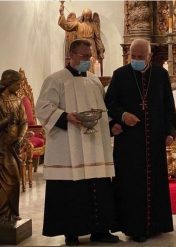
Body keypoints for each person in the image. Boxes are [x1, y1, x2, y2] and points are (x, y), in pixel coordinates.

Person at [35, 39, 119, 245]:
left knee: (99, 186)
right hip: (68, 145)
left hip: (94, 145)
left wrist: (111, 125)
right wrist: (65, 117)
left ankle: (100, 231)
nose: (87, 61)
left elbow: (102, 108)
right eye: (83, 56)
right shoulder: (55, 80)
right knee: (71, 192)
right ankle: (71, 232)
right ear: (70, 55)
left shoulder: (94, 81)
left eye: (89, 57)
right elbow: (43, 108)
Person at [105, 38, 176, 242]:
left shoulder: (161, 75)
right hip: (129, 141)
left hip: (154, 140)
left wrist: (170, 132)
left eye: (140, 57)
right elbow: (109, 103)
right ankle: (133, 227)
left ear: (150, 56)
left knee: (155, 182)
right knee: (130, 184)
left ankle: (156, 224)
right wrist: (122, 116)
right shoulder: (120, 75)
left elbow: (168, 107)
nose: (136, 60)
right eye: (133, 56)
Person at [0, 70, 27, 224]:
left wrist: (20, 137)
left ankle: (12, 213)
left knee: (15, 181)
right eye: (17, 83)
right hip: (2, 147)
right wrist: (5, 121)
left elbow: (23, 122)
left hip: (14, 146)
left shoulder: (17, 100)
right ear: (8, 83)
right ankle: (3, 214)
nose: (19, 86)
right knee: (9, 181)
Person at [58, 4, 105, 74]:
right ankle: (82, 78)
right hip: (81, 46)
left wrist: (100, 50)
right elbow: (67, 26)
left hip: (91, 47)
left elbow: (98, 38)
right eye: (85, 15)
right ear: (83, 15)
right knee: (82, 66)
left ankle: (91, 79)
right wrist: (62, 13)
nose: (87, 17)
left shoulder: (93, 25)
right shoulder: (78, 24)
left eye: (88, 15)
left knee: (91, 65)